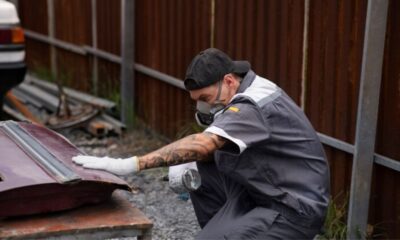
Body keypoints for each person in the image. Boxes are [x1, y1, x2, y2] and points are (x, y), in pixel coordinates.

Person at [73, 48, 330, 239]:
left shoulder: (253, 106)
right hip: (265, 189)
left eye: (206, 98)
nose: (205, 106)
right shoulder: (247, 84)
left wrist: (130, 164)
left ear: (229, 80)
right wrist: (187, 163)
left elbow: (206, 143)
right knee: (197, 172)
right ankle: (229, 229)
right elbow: (211, 151)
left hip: (292, 208)